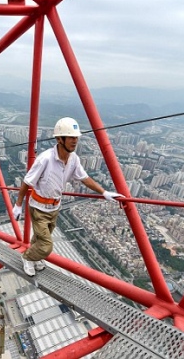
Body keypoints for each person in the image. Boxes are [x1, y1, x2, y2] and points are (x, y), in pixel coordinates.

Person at [12, 117, 124, 276]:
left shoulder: (74, 159)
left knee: (40, 237)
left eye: (76, 137)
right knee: (46, 245)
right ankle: (28, 258)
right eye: (71, 137)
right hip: (38, 208)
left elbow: (85, 178)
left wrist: (104, 192)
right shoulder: (45, 159)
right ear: (59, 139)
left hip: (55, 207)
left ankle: (35, 258)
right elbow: (27, 181)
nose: (75, 141)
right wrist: (18, 205)